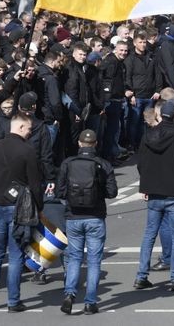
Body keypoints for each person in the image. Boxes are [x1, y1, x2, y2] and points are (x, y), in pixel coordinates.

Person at [0, 114, 43, 312]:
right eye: (29, 129)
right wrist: (39, 207)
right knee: (16, 253)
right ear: (21, 127)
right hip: (20, 208)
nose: (30, 132)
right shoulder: (27, 150)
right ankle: (13, 301)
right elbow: (35, 183)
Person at [133, 100, 174, 291]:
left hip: (154, 191)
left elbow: (141, 163)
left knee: (149, 234)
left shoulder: (149, 134)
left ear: (160, 115)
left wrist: (146, 185)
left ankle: (141, 275)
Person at [56, 129, 118, 315]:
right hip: (95, 217)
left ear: (79, 144)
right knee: (93, 260)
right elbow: (112, 192)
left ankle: (70, 293)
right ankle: (90, 302)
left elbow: (59, 191)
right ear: (96, 144)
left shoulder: (68, 163)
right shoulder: (103, 164)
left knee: (74, 257)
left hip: (73, 217)